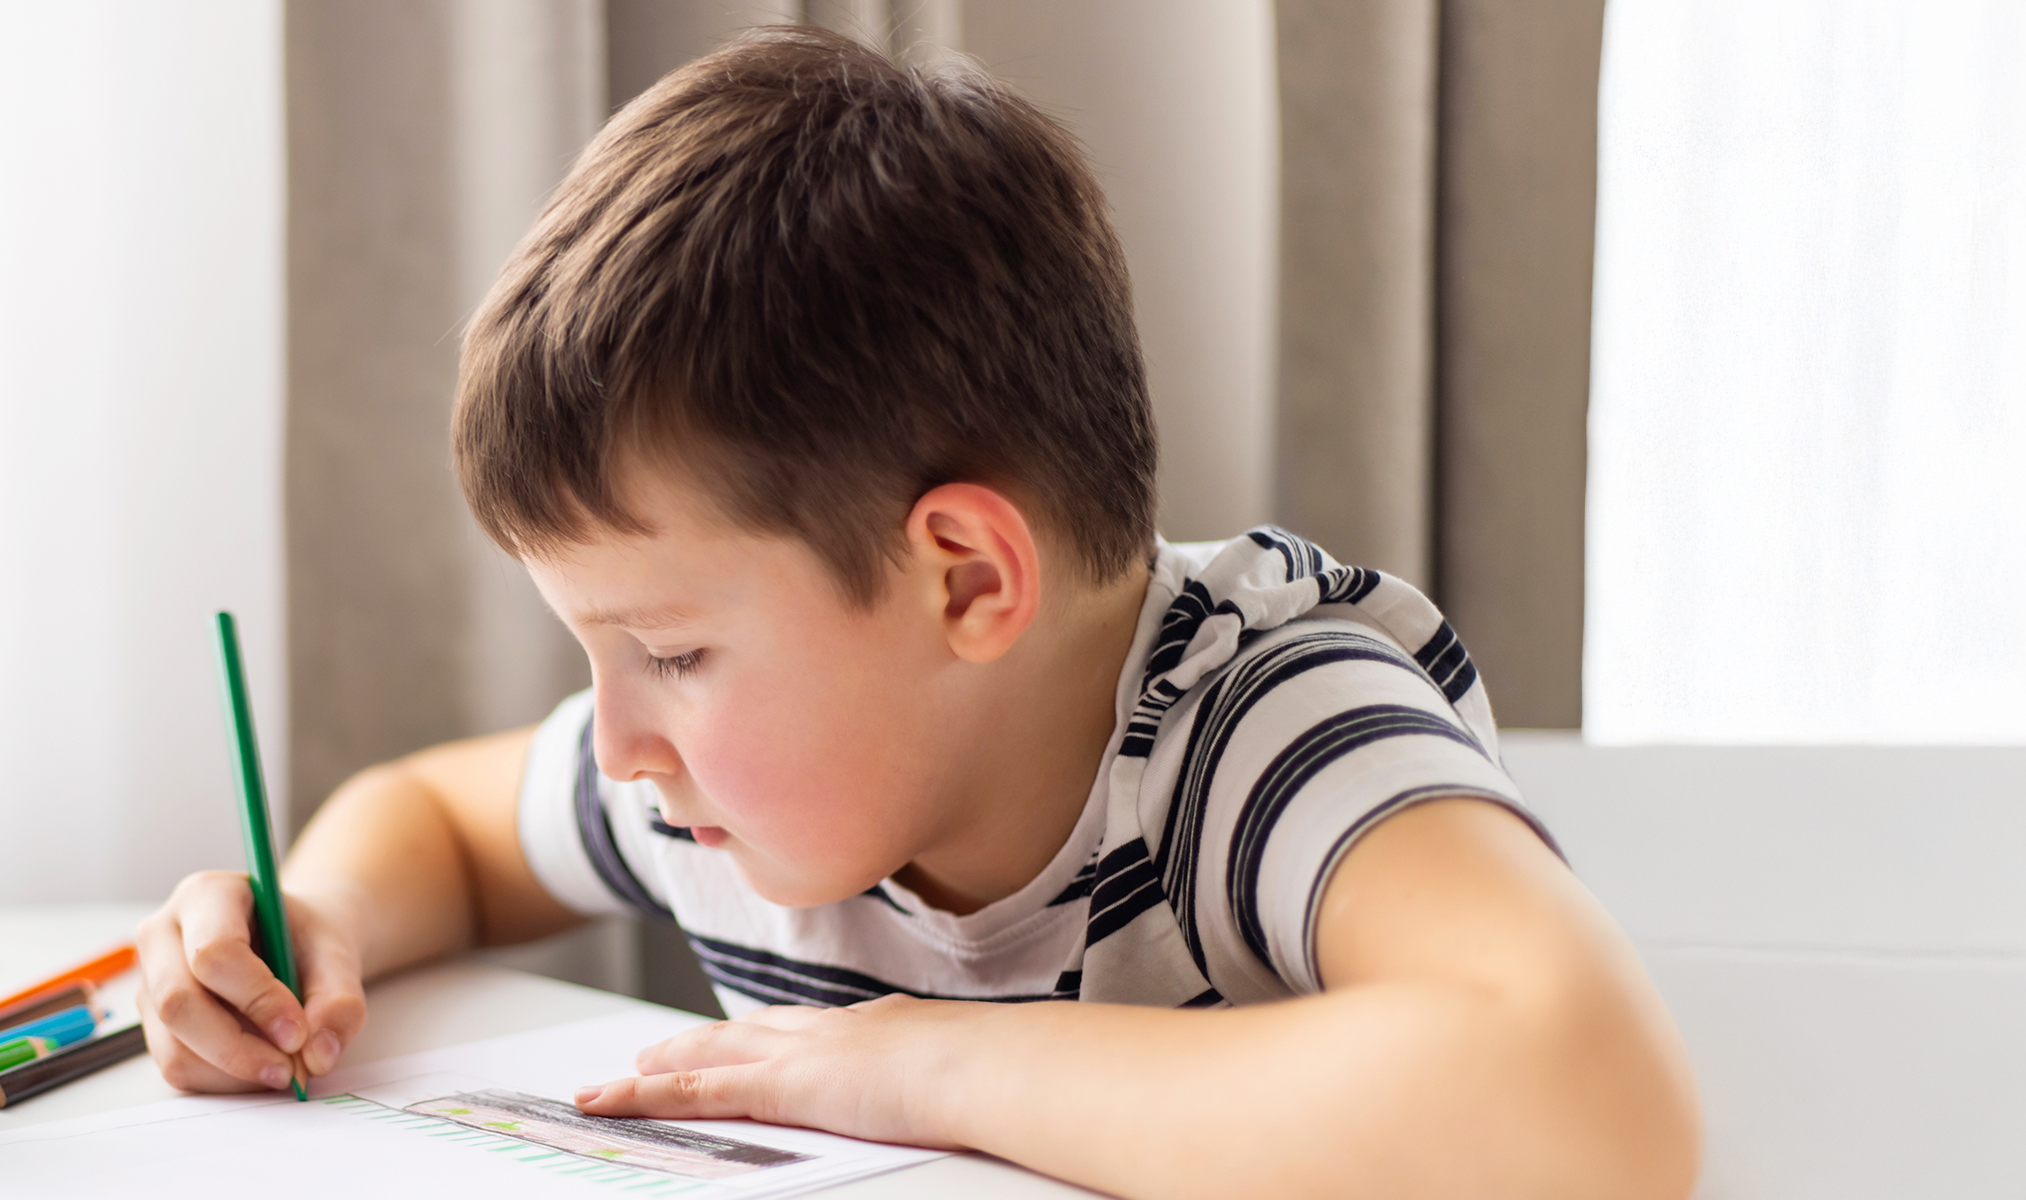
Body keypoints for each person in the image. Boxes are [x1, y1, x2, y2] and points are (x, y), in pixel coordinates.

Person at [138, 27, 1700, 1200]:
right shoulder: (719, 796)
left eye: (672, 654)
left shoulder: (1259, 736)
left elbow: (1595, 1101)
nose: (620, 744)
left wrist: (936, 1065)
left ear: (964, 579)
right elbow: (441, 822)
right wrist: (315, 922)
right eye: (598, 655)